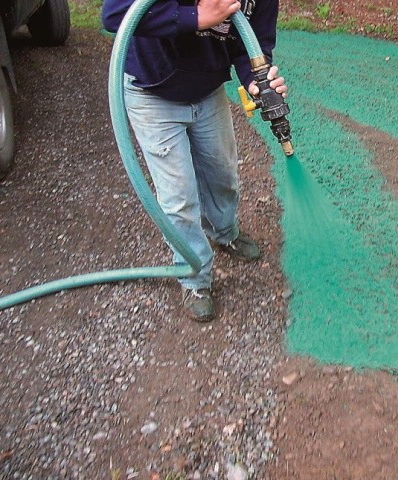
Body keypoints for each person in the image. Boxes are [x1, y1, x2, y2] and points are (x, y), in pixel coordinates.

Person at [101, 0, 287, 321]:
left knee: (222, 174)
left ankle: (224, 232)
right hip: (152, 92)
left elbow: (252, 45)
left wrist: (255, 79)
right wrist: (196, 17)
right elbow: (115, 13)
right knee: (178, 197)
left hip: (207, 90)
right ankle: (194, 275)